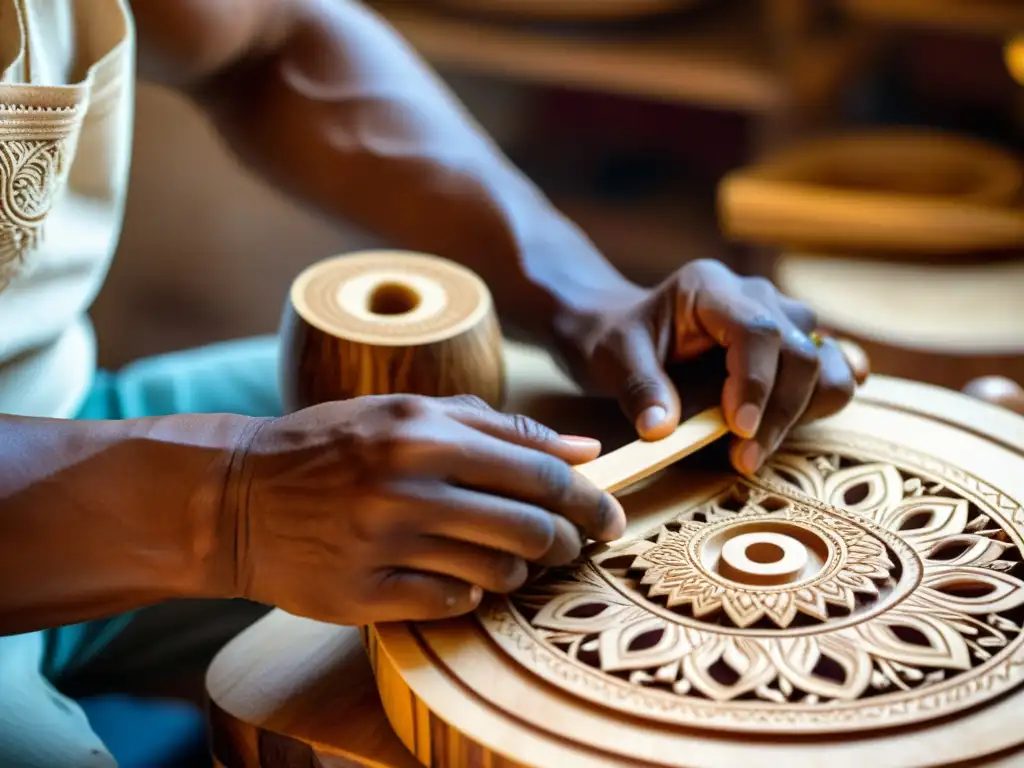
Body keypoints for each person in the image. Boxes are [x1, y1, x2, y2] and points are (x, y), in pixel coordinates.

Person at [0, 1, 858, 765]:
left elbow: (274, 37)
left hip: (59, 406)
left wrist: (589, 301)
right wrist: (226, 504)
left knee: (559, 434)